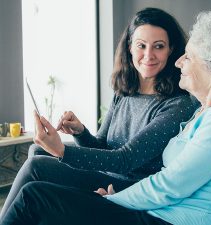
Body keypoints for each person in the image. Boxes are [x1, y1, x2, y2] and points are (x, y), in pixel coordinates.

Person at [0, 8, 211, 225]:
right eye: (141, 45)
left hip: (169, 218)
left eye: (189, 57)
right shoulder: (204, 113)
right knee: (37, 178)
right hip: (158, 210)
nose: (179, 61)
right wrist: (82, 135)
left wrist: (117, 199)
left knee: (34, 194)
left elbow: (169, 183)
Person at [0, 7, 197, 218]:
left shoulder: (177, 104)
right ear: (130, 47)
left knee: (36, 167)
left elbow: (125, 160)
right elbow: (102, 145)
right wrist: (80, 132)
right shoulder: (124, 93)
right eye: (141, 45)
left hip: (130, 185)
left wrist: (62, 151)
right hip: (106, 174)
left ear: (171, 49)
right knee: (37, 152)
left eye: (158, 46)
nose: (148, 55)